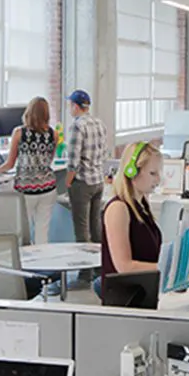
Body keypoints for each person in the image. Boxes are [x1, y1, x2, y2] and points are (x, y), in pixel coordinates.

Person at [100, 142, 162, 299]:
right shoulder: (118, 209)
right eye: (153, 173)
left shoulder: (142, 206)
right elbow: (124, 266)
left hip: (144, 292)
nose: (158, 179)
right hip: (127, 301)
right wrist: (166, 268)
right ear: (132, 172)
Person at [0, 96, 57, 245]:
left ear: (29, 112)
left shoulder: (19, 133)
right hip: (48, 188)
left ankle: (24, 265)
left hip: (26, 189)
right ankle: (42, 265)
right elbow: (49, 160)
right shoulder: (53, 134)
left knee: (23, 233)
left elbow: (9, 164)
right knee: (42, 233)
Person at [64, 90, 110, 279]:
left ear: (75, 106)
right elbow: (104, 152)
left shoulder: (77, 126)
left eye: (70, 105)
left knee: (82, 230)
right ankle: (101, 269)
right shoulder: (99, 123)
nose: (69, 109)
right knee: (95, 227)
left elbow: (74, 160)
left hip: (82, 183)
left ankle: (85, 273)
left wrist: (67, 182)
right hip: (98, 181)